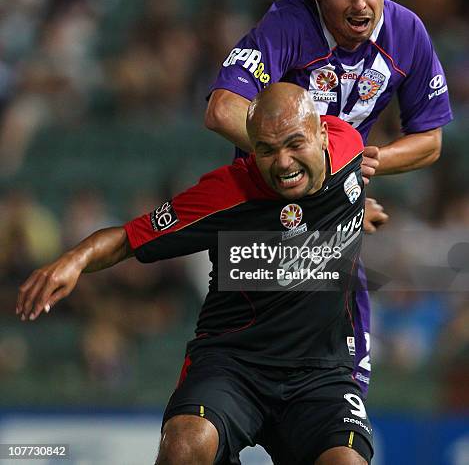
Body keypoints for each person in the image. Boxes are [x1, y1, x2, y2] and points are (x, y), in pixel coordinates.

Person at [18, 83, 375, 465]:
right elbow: (128, 237)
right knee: (185, 445)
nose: (284, 163)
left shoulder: (348, 148)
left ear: (323, 133)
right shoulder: (227, 193)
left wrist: (365, 209)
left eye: (294, 144)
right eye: (267, 150)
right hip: (234, 364)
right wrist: (74, 258)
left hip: (320, 372)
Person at [205, 0, 453, 395]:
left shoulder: (407, 33)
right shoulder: (289, 23)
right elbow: (223, 110)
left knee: (343, 384)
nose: (360, 3)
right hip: (261, 216)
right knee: (243, 375)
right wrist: (314, 171)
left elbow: (430, 141)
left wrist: (362, 164)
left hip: (329, 219)